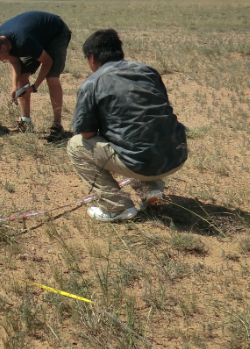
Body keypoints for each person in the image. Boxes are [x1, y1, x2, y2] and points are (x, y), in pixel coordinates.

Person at [67, 28, 188, 222]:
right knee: (137, 135)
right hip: (176, 154)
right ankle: (152, 190)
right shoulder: (147, 71)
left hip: (140, 162)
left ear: (91, 58)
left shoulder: (92, 83)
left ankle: (116, 206)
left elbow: (87, 134)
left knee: (76, 145)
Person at [0, 11, 71, 135]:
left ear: (3, 48)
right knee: (21, 77)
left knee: (51, 77)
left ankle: (57, 124)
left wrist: (34, 87)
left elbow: (47, 62)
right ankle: (26, 122)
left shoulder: (23, 41)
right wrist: (14, 86)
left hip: (56, 33)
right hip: (37, 38)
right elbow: (15, 62)